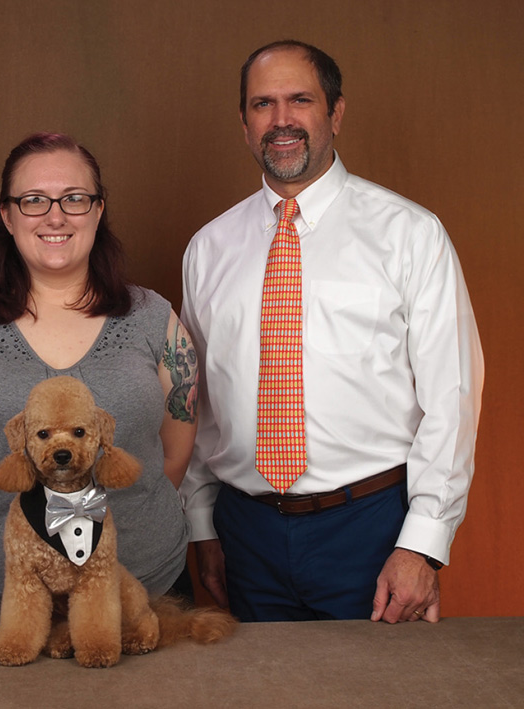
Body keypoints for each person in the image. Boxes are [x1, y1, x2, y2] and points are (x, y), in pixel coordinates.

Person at [180, 40, 484, 623]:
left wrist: (422, 543)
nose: (282, 120)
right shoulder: (208, 249)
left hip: (369, 528)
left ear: (335, 113)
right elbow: (199, 405)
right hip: (245, 531)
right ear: (245, 124)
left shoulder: (410, 235)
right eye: (263, 104)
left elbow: (453, 397)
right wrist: (201, 525)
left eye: (301, 100)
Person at [0, 133, 198, 630]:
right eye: (33, 200)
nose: (54, 216)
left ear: (98, 210)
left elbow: (173, 454)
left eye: (74, 199)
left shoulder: (156, 319)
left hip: (141, 592)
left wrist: (100, 518)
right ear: (8, 215)